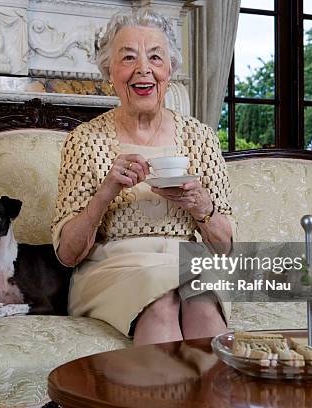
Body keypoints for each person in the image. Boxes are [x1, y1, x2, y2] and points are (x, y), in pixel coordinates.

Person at [51, 7, 237, 346]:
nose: (143, 69)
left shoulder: (200, 137)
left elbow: (225, 246)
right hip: (114, 268)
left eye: (155, 57)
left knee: (203, 304)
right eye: (128, 58)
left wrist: (201, 207)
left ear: (169, 70)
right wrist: (106, 192)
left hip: (187, 262)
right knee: (162, 301)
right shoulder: (85, 140)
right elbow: (67, 254)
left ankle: (213, 397)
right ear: (109, 71)